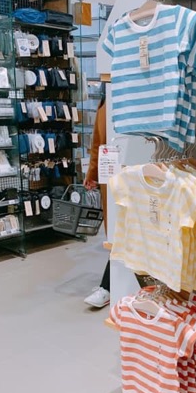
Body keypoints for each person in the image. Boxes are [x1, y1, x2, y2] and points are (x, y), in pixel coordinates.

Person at [83, 96, 111, 308]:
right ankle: (109, 284)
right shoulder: (105, 103)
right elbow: (98, 144)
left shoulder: (107, 102)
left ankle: (108, 285)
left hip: (133, 175)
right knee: (116, 235)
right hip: (111, 176)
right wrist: (92, 173)